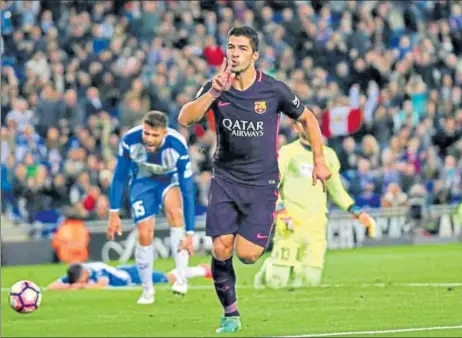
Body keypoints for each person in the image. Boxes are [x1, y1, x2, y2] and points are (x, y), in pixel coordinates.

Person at [178, 26, 331, 333]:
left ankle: (267, 229)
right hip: (225, 178)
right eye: (230, 47)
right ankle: (231, 314)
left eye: (242, 48)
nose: (234, 53)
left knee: (247, 255)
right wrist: (213, 92)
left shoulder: (272, 90)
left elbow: (308, 118)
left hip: (262, 183)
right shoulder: (215, 86)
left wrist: (319, 160)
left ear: (255, 55)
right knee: (221, 248)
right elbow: (185, 118)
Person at [253, 121, 377, 289]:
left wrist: (357, 212)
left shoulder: (329, 156)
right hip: (290, 224)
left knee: (310, 283)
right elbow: (271, 184)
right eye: (304, 124)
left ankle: (296, 272)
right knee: (277, 282)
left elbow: (337, 190)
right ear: (296, 128)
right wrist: (281, 211)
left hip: (316, 226)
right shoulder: (288, 152)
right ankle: (269, 267)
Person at [106, 111, 195, 305]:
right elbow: (119, 176)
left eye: (155, 135)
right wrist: (113, 212)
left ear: (164, 133)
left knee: (174, 210)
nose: (149, 138)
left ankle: (181, 277)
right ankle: (147, 290)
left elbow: (188, 190)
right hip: (142, 182)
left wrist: (190, 232)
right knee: (145, 233)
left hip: (169, 180)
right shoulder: (130, 140)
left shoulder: (177, 146)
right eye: (147, 133)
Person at [47, 262, 211, 290]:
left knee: (167, 278)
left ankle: (201, 270)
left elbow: (101, 285)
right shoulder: (76, 275)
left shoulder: (96, 270)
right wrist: (71, 286)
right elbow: (51, 287)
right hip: (125, 274)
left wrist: (79, 287)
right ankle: (200, 270)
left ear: (84, 273)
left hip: (132, 275)